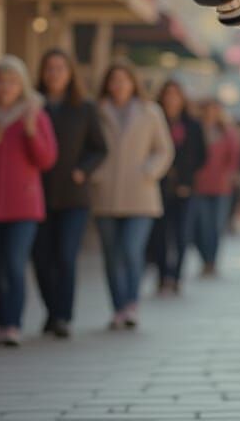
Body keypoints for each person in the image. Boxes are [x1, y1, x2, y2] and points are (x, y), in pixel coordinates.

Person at [0, 55, 58, 346]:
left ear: (21, 85)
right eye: (0, 81)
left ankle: (13, 324)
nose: (5, 87)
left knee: (13, 263)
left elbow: (47, 160)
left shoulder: (35, 113)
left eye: (12, 81)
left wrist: (32, 132)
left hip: (24, 205)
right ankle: (1, 321)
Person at [90, 63, 172, 330]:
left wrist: (149, 171)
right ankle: (117, 307)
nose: (119, 85)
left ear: (133, 83)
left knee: (131, 249)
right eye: (114, 80)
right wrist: (96, 173)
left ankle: (131, 304)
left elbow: (164, 150)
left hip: (141, 194)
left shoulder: (150, 112)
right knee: (111, 254)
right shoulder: (96, 111)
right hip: (106, 193)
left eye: (124, 80)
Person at [32, 49, 107, 339]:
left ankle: (63, 315)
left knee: (64, 256)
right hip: (37, 194)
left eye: (60, 68)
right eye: (49, 68)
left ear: (70, 73)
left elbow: (99, 148)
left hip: (74, 196)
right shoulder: (33, 105)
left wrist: (83, 170)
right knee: (41, 258)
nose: (54, 74)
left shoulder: (84, 107)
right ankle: (51, 311)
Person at [149, 81, 204, 295]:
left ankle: (177, 276)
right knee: (160, 235)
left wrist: (187, 179)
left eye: (175, 95)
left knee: (181, 235)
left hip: (185, 189)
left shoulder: (192, 125)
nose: (171, 99)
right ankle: (163, 275)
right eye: (167, 94)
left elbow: (201, 155)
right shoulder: (154, 120)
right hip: (157, 187)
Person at [191, 100, 240, 277]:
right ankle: (205, 258)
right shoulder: (196, 129)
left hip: (221, 186)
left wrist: (230, 175)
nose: (211, 113)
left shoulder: (227, 131)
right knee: (202, 226)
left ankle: (211, 261)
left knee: (216, 226)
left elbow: (234, 156)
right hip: (199, 186)